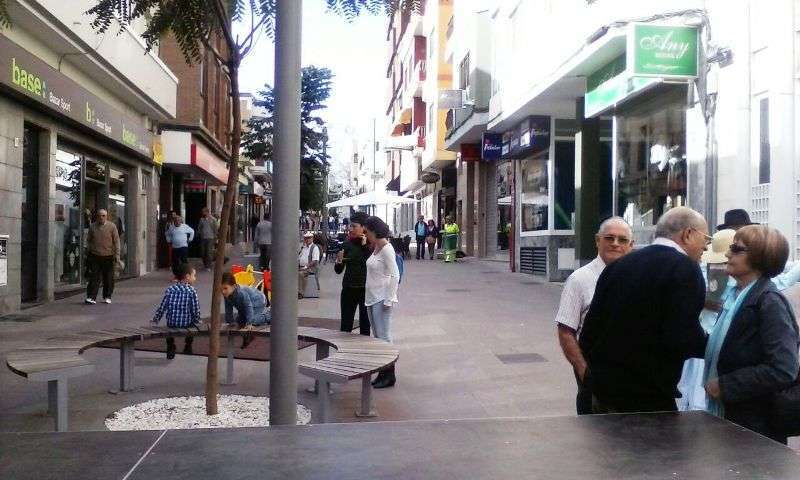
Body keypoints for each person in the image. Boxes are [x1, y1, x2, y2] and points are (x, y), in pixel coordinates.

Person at [579, 207, 711, 414]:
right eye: (706, 239)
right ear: (688, 234)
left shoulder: (617, 266)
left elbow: (589, 333)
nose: (706, 246)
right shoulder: (686, 269)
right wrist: (716, 346)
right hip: (648, 400)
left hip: (603, 393)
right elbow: (682, 337)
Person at [703, 225, 799, 443]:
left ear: (760, 257)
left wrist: (726, 385)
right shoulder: (736, 296)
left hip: (755, 429)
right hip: (732, 420)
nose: (728, 254)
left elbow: (783, 368)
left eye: (736, 249)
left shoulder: (769, 302)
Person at [555, 217, 634, 415]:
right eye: (609, 238)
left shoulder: (637, 279)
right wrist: (584, 372)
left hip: (630, 382)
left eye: (622, 240)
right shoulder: (579, 279)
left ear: (631, 245)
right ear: (598, 241)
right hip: (595, 381)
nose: (615, 243)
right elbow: (565, 331)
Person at [363, 216, 401, 388]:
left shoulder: (386, 249)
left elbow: (395, 274)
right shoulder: (376, 248)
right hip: (372, 297)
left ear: (374, 231)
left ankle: (389, 374)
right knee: (378, 337)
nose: (365, 235)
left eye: (367, 232)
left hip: (381, 298)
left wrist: (390, 298)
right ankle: (382, 372)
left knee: (384, 337)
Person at [151, 263, 200, 359]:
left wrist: (156, 319)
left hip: (172, 323)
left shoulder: (170, 289)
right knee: (192, 325)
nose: (195, 278)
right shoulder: (191, 291)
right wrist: (197, 320)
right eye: (194, 275)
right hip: (186, 323)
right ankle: (188, 346)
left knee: (169, 325)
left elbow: (163, 306)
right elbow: (195, 309)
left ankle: (170, 346)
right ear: (187, 277)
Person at [335, 211, 371, 335]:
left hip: (366, 290)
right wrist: (339, 261)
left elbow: (371, 264)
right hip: (348, 289)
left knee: (365, 325)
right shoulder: (347, 244)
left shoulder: (371, 245)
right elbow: (338, 270)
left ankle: (363, 347)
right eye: (350, 226)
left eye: (354, 226)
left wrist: (365, 246)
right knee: (345, 326)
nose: (350, 229)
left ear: (363, 227)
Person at [221, 272, 270, 348]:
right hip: (244, 307)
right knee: (239, 321)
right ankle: (248, 337)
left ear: (234, 286)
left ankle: (269, 315)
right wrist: (230, 322)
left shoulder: (241, 293)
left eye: (225, 288)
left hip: (258, 301)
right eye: (221, 289)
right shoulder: (227, 294)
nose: (223, 291)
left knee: (252, 320)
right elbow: (228, 308)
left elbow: (248, 306)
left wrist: (249, 323)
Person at [85, 208, 121, 305]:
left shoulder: (112, 226)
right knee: (94, 277)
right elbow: (88, 240)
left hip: (108, 256)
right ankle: (91, 297)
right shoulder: (92, 227)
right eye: (99, 216)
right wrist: (88, 250)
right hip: (95, 256)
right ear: (97, 217)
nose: (101, 217)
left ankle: (107, 296)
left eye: (103, 216)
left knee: (108, 278)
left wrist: (117, 255)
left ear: (106, 217)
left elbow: (116, 241)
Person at [298, 231, 321, 298]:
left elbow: (315, 261)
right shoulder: (304, 247)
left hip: (310, 268)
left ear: (312, 239)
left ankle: (300, 292)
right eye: (306, 238)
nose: (307, 239)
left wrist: (306, 266)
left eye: (309, 238)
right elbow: (299, 257)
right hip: (302, 267)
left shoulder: (315, 248)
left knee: (300, 274)